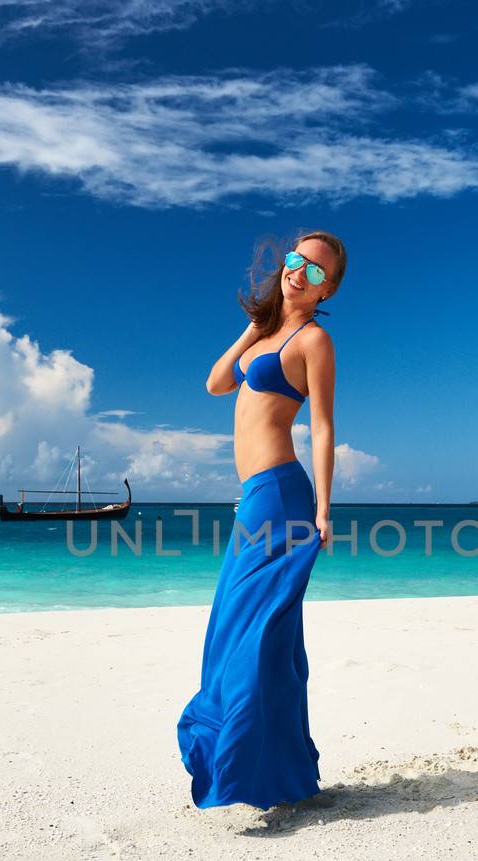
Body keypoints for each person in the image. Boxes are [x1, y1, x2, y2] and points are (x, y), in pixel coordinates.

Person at [176, 230, 346, 810]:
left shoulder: (314, 340)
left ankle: (248, 775)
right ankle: (282, 779)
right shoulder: (268, 335)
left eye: (315, 270)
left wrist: (324, 509)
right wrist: (256, 325)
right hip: (254, 498)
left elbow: (322, 428)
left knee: (253, 635)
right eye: (295, 260)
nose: (299, 272)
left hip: (283, 496)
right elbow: (216, 383)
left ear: (330, 287)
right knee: (246, 631)